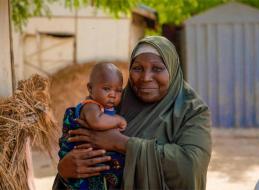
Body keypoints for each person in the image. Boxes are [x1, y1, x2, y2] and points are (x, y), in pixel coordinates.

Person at [53, 36, 212, 190]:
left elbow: (190, 166)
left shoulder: (192, 111)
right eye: (137, 68)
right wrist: (64, 170)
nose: (146, 78)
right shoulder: (111, 104)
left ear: (172, 69)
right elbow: (75, 151)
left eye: (157, 68)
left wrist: (120, 143)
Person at [58, 63, 126, 190]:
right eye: (107, 89)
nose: (113, 94)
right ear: (90, 89)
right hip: (86, 161)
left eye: (118, 90)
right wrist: (117, 120)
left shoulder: (107, 107)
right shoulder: (91, 105)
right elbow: (96, 122)